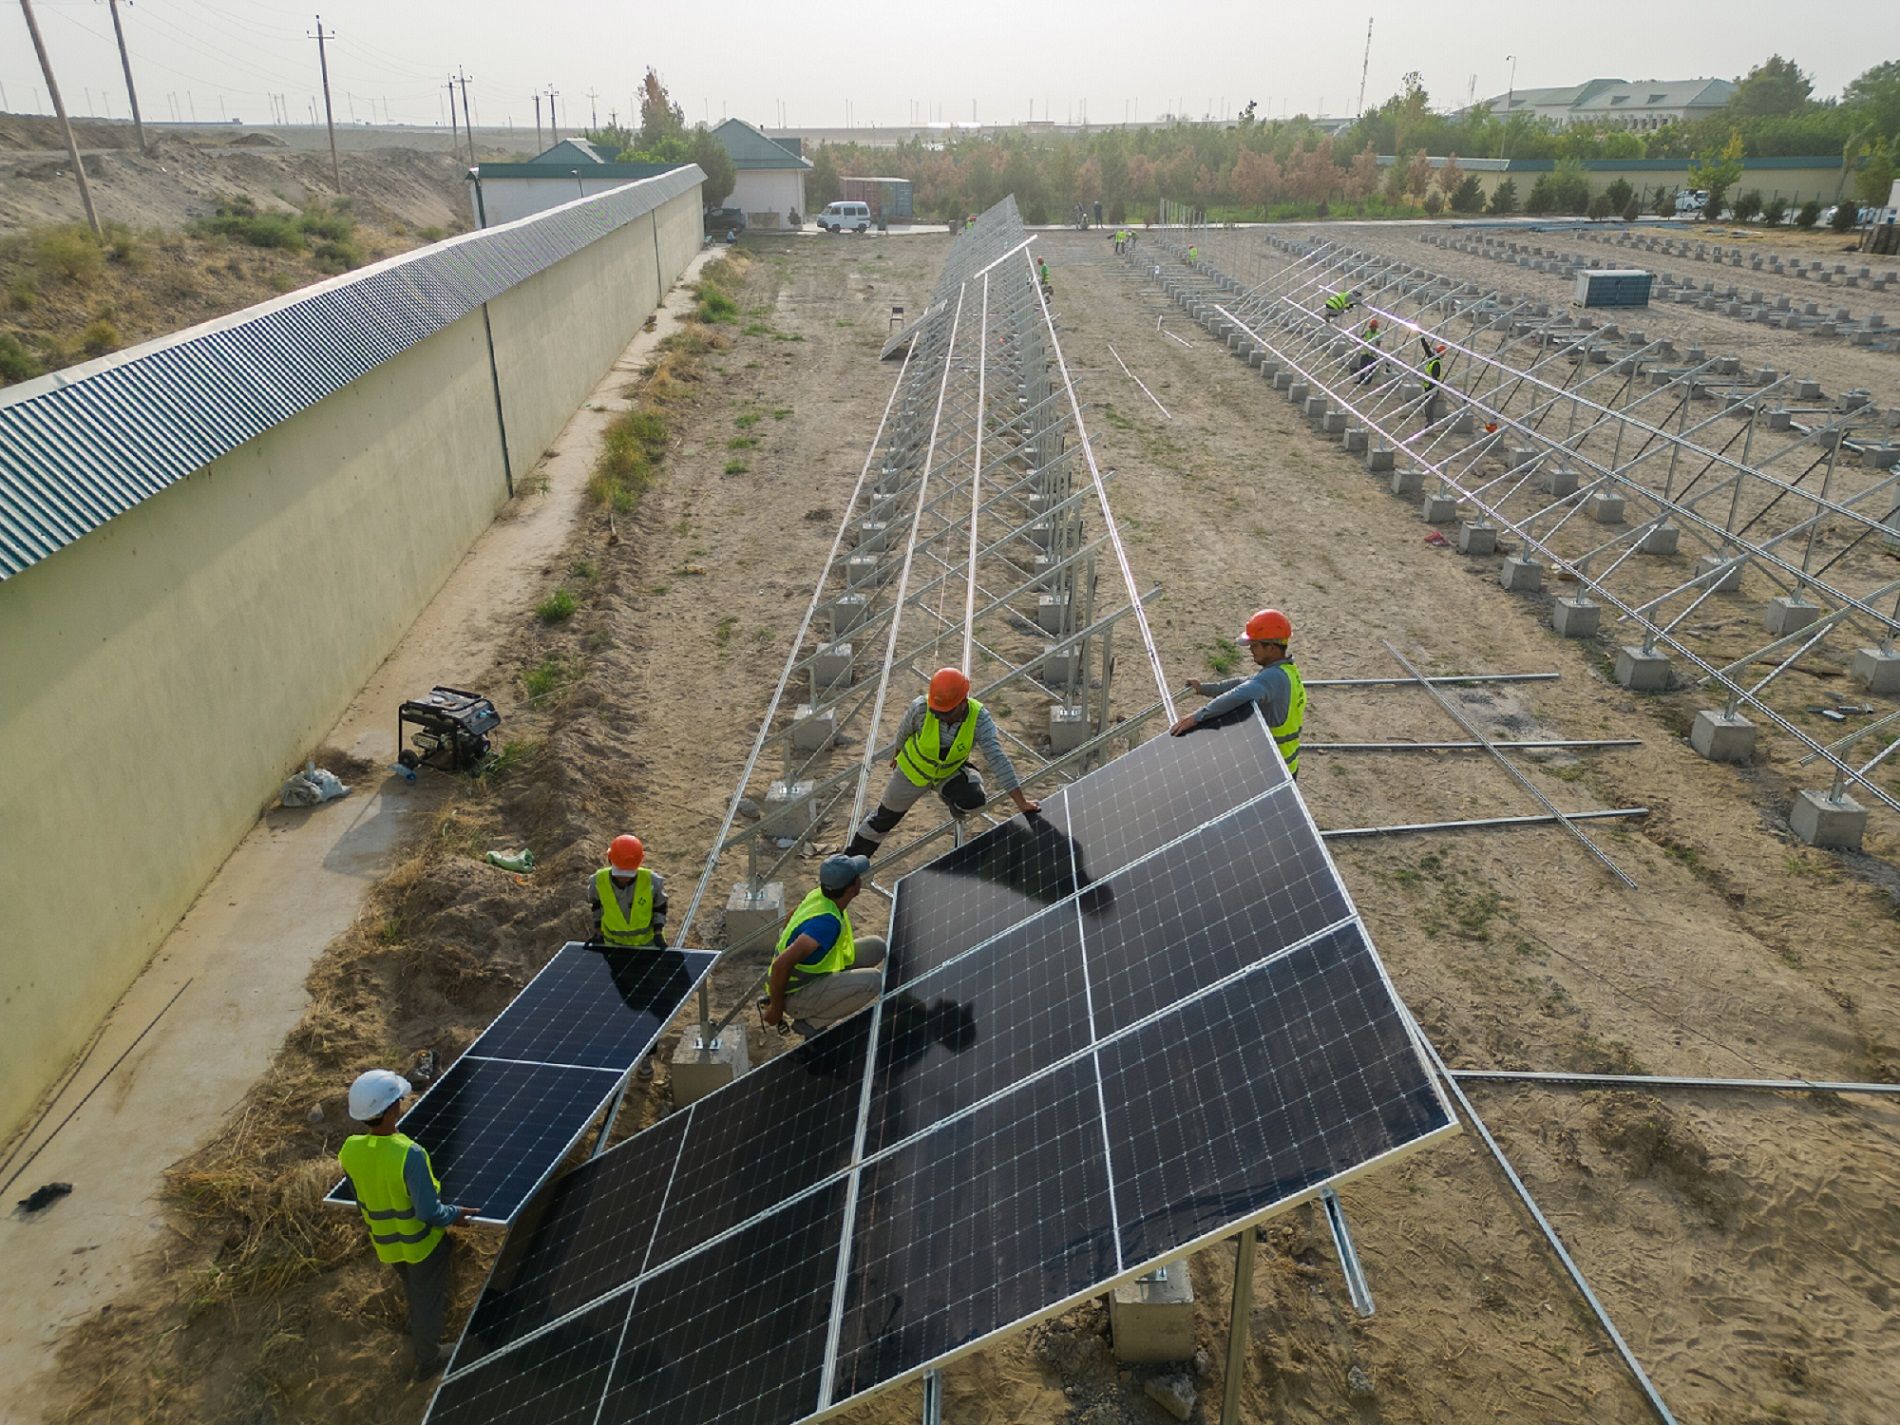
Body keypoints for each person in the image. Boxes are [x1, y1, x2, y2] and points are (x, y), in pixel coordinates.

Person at [337, 1069, 478, 1379]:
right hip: (422, 1244)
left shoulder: (350, 1150)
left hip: (387, 1243)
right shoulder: (408, 1155)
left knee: (414, 1287)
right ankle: (429, 1357)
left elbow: (357, 1193)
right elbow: (429, 1211)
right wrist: (455, 1214)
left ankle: (418, 1326)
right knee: (427, 1297)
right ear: (391, 1110)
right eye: (398, 1100)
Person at [843, 667, 1040, 859]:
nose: (940, 716)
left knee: (974, 798)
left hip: (947, 773)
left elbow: (998, 759)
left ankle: (953, 792)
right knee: (883, 820)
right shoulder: (921, 708)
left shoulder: (979, 718)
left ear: (963, 703)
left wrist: (1021, 803)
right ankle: (851, 860)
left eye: (946, 712)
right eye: (937, 712)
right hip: (912, 773)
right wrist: (897, 754)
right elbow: (903, 732)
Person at [1169, 608, 1305, 777]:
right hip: (1286, 766)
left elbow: (1238, 694)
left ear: (1271, 647)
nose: (1251, 650)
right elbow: (1241, 683)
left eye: (1255, 645)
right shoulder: (1287, 671)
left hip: (1273, 771)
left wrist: (1197, 717)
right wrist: (1203, 688)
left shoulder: (1273, 678)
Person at [762, 854, 887, 1033]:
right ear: (852, 887)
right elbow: (781, 965)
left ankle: (830, 987)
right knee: (874, 981)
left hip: (816, 973)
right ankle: (811, 1023)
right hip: (797, 994)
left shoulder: (819, 895)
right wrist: (776, 1008)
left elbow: (791, 917)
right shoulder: (824, 925)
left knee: (877, 947)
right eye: (857, 877)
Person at [587, 833, 668, 1078]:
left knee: (647, 1006)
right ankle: (619, 1053)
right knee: (618, 1005)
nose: (624, 877)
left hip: (646, 953)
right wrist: (598, 933)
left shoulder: (652, 881)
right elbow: (596, 906)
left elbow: (660, 907)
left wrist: (658, 933)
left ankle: (646, 1058)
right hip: (613, 954)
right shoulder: (598, 881)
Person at [1419, 337, 1448, 424]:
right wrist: (1422, 339)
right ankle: (1429, 423)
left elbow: (1434, 378)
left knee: (1430, 408)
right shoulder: (1433, 359)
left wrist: (1426, 375)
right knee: (1427, 407)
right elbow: (1427, 349)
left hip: (1432, 388)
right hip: (1428, 387)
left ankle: (1430, 425)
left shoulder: (1436, 363)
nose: (1433, 351)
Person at [1354, 317, 1383, 384]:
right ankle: (1361, 379)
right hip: (1365, 352)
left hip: (1373, 354)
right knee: (1362, 367)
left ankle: (1368, 381)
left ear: (1376, 327)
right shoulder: (1367, 332)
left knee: (1371, 368)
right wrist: (1358, 341)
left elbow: (1378, 345)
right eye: (1372, 327)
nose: (1372, 328)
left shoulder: (1378, 334)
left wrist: (1375, 350)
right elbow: (1361, 337)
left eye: (1374, 327)